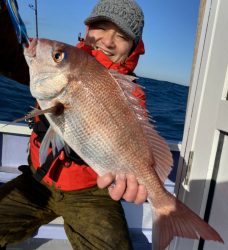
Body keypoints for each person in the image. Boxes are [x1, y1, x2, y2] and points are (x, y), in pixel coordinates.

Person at [0, 0, 147, 249]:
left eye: (122, 36)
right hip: (38, 180)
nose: (108, 41)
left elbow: (135, 139)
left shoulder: (131, 95)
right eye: (101, 27)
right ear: (87, 29)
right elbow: (9, 57)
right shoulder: (56, 61)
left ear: (133, 47)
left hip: (92, 193)